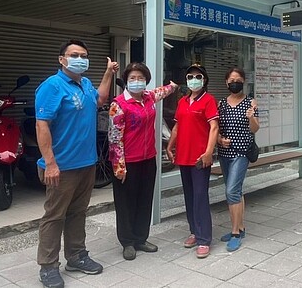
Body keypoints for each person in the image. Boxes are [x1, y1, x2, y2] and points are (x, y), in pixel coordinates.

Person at [35, 39, 119, 288]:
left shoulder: (84, 84)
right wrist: (50, 163)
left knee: (78, 212)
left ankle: (76, 255)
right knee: (54, 216)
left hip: (87, 163)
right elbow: (42, 125)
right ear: (62, 59)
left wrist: (107, 73)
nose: (80, 58)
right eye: (74, 54)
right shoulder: (52, 86)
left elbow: (100, 100)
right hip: (61, 167)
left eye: (83, 55)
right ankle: (48, 266)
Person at [108, 63, 178, 260]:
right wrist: (119, 166)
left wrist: (173, 85)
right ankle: (127, 242)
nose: (136, 82)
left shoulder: (148, 97)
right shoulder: (119, 104)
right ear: (126, 81)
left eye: (140, 78)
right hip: (127, 162)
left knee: (144, 200)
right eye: (132, 78)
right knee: (126, 203)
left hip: (148, 159)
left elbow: (162, 91)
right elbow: (114, 139)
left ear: (146, 81)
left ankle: (140, 238)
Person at [166, 64, 219, 259]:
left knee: (200, 196)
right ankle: (194, 232)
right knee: (189, 195)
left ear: (204, 80)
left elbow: (214, 127)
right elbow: (177, 127)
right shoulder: (182, 102)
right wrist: (169, 146)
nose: (194, 79)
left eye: (198, 76)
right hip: (184, 156)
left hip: (199, 158)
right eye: (190, 76)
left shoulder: (209, 101)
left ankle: (204, 238)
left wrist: (208, 152)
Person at [217, 67, 259, 252]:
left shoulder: (250, 102)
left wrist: (252, 117)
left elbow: (255, 129)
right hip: (224, 153)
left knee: (231, 191)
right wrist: (219, 139)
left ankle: (234, 233)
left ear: (243, 82)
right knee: (236, 191)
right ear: (226, 83)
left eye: (238, 79)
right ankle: (240, 227)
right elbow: (216, 128)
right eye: (232, 79)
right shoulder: (221, 104)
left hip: (242, 153)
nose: (235, 82)